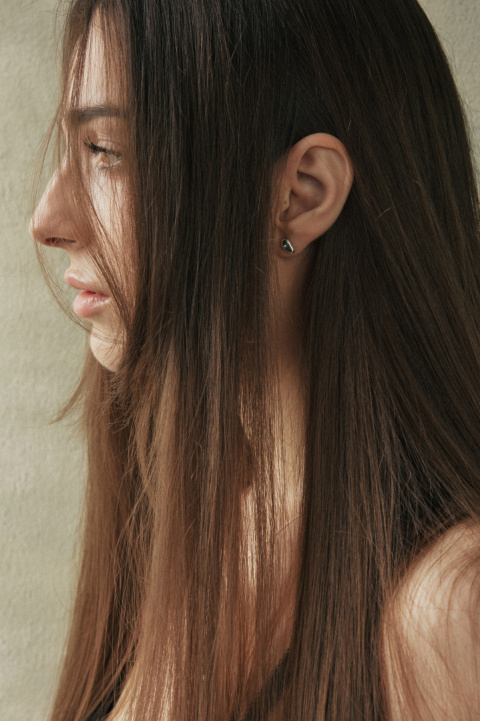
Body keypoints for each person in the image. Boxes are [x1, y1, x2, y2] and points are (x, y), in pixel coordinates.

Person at [29, 0, 480, 719]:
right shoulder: (175, 505)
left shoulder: (449, 614)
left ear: (303, 194)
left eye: (107, 153)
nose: (48, 220)